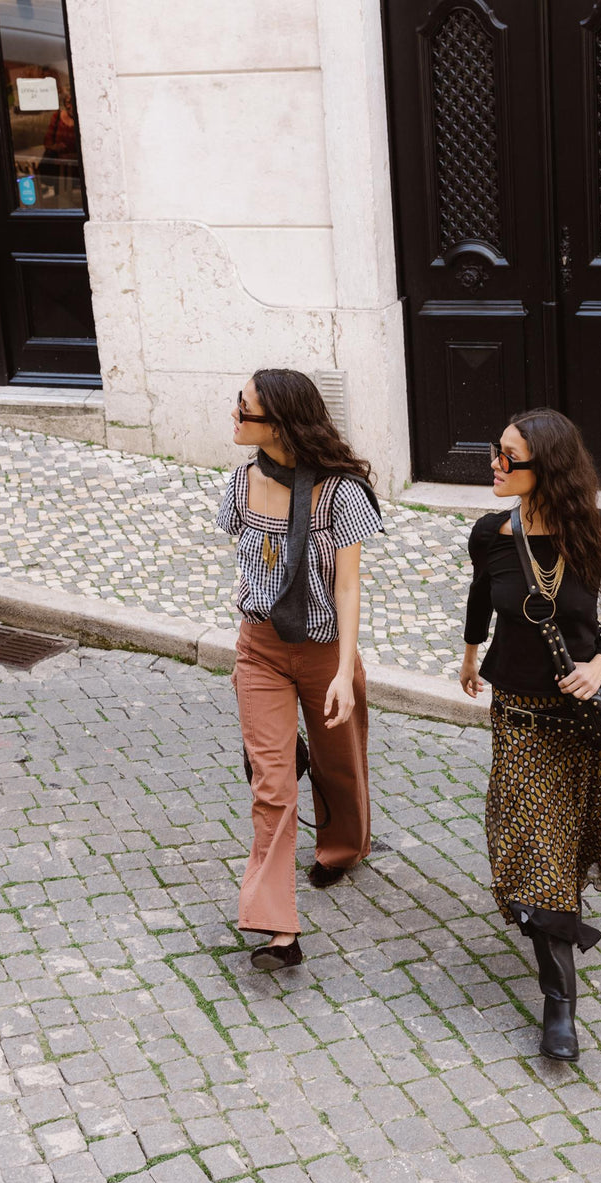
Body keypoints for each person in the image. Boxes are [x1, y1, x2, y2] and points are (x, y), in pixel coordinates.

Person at [459, 408, 601, 1061]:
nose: (495, 465)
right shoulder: (490, 534)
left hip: (579, 719)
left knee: (559, 848)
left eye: (509, 457)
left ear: (547, 468)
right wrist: (469, 651)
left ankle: (549, 922)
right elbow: (483, 595)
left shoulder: (598, 531)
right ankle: (559, 1003)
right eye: (495, 451)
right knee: (536, 847)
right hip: (519, 715)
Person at [216, 369, 383, 971]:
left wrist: (342, 672)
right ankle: (276, 928)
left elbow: (347, 586)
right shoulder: (239, 484)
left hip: (322, 652)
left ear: (280, 424)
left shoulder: (341, 494)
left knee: (340, 764)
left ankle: (342, 848)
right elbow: (249, 560)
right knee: (273, 785)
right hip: (259, 648)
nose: (234, 416)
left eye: (246, 409)